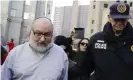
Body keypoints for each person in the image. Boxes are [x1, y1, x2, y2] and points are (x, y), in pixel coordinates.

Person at [69, 2, 133, 80]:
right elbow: (84, 68)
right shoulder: (96, 40)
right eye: (116, 19)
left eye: (123, 20)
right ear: (109, 18)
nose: (119, 23)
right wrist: (63, 71)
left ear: (127, 19)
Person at [2, 17, 68, 80]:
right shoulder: (16, 53)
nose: (42, 39)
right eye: (38, 33)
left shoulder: (61, 55)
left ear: (52, 34)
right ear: (30, 33)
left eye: (47, 34)